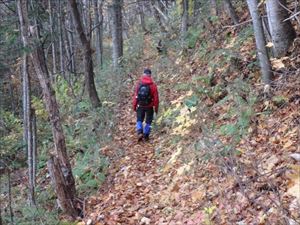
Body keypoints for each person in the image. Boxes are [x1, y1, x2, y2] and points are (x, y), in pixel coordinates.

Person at [133, 68, 159, 141]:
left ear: (143, 74)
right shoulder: (153, 85)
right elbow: (156, 99)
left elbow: (135, 97)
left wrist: (134, 107)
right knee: (148, 121)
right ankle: (146, 135)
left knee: (139, 119)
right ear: (150, 75)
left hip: (140, 105)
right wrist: (156, 109)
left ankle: (139, 131)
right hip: (149, 106)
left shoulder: (138, 84)